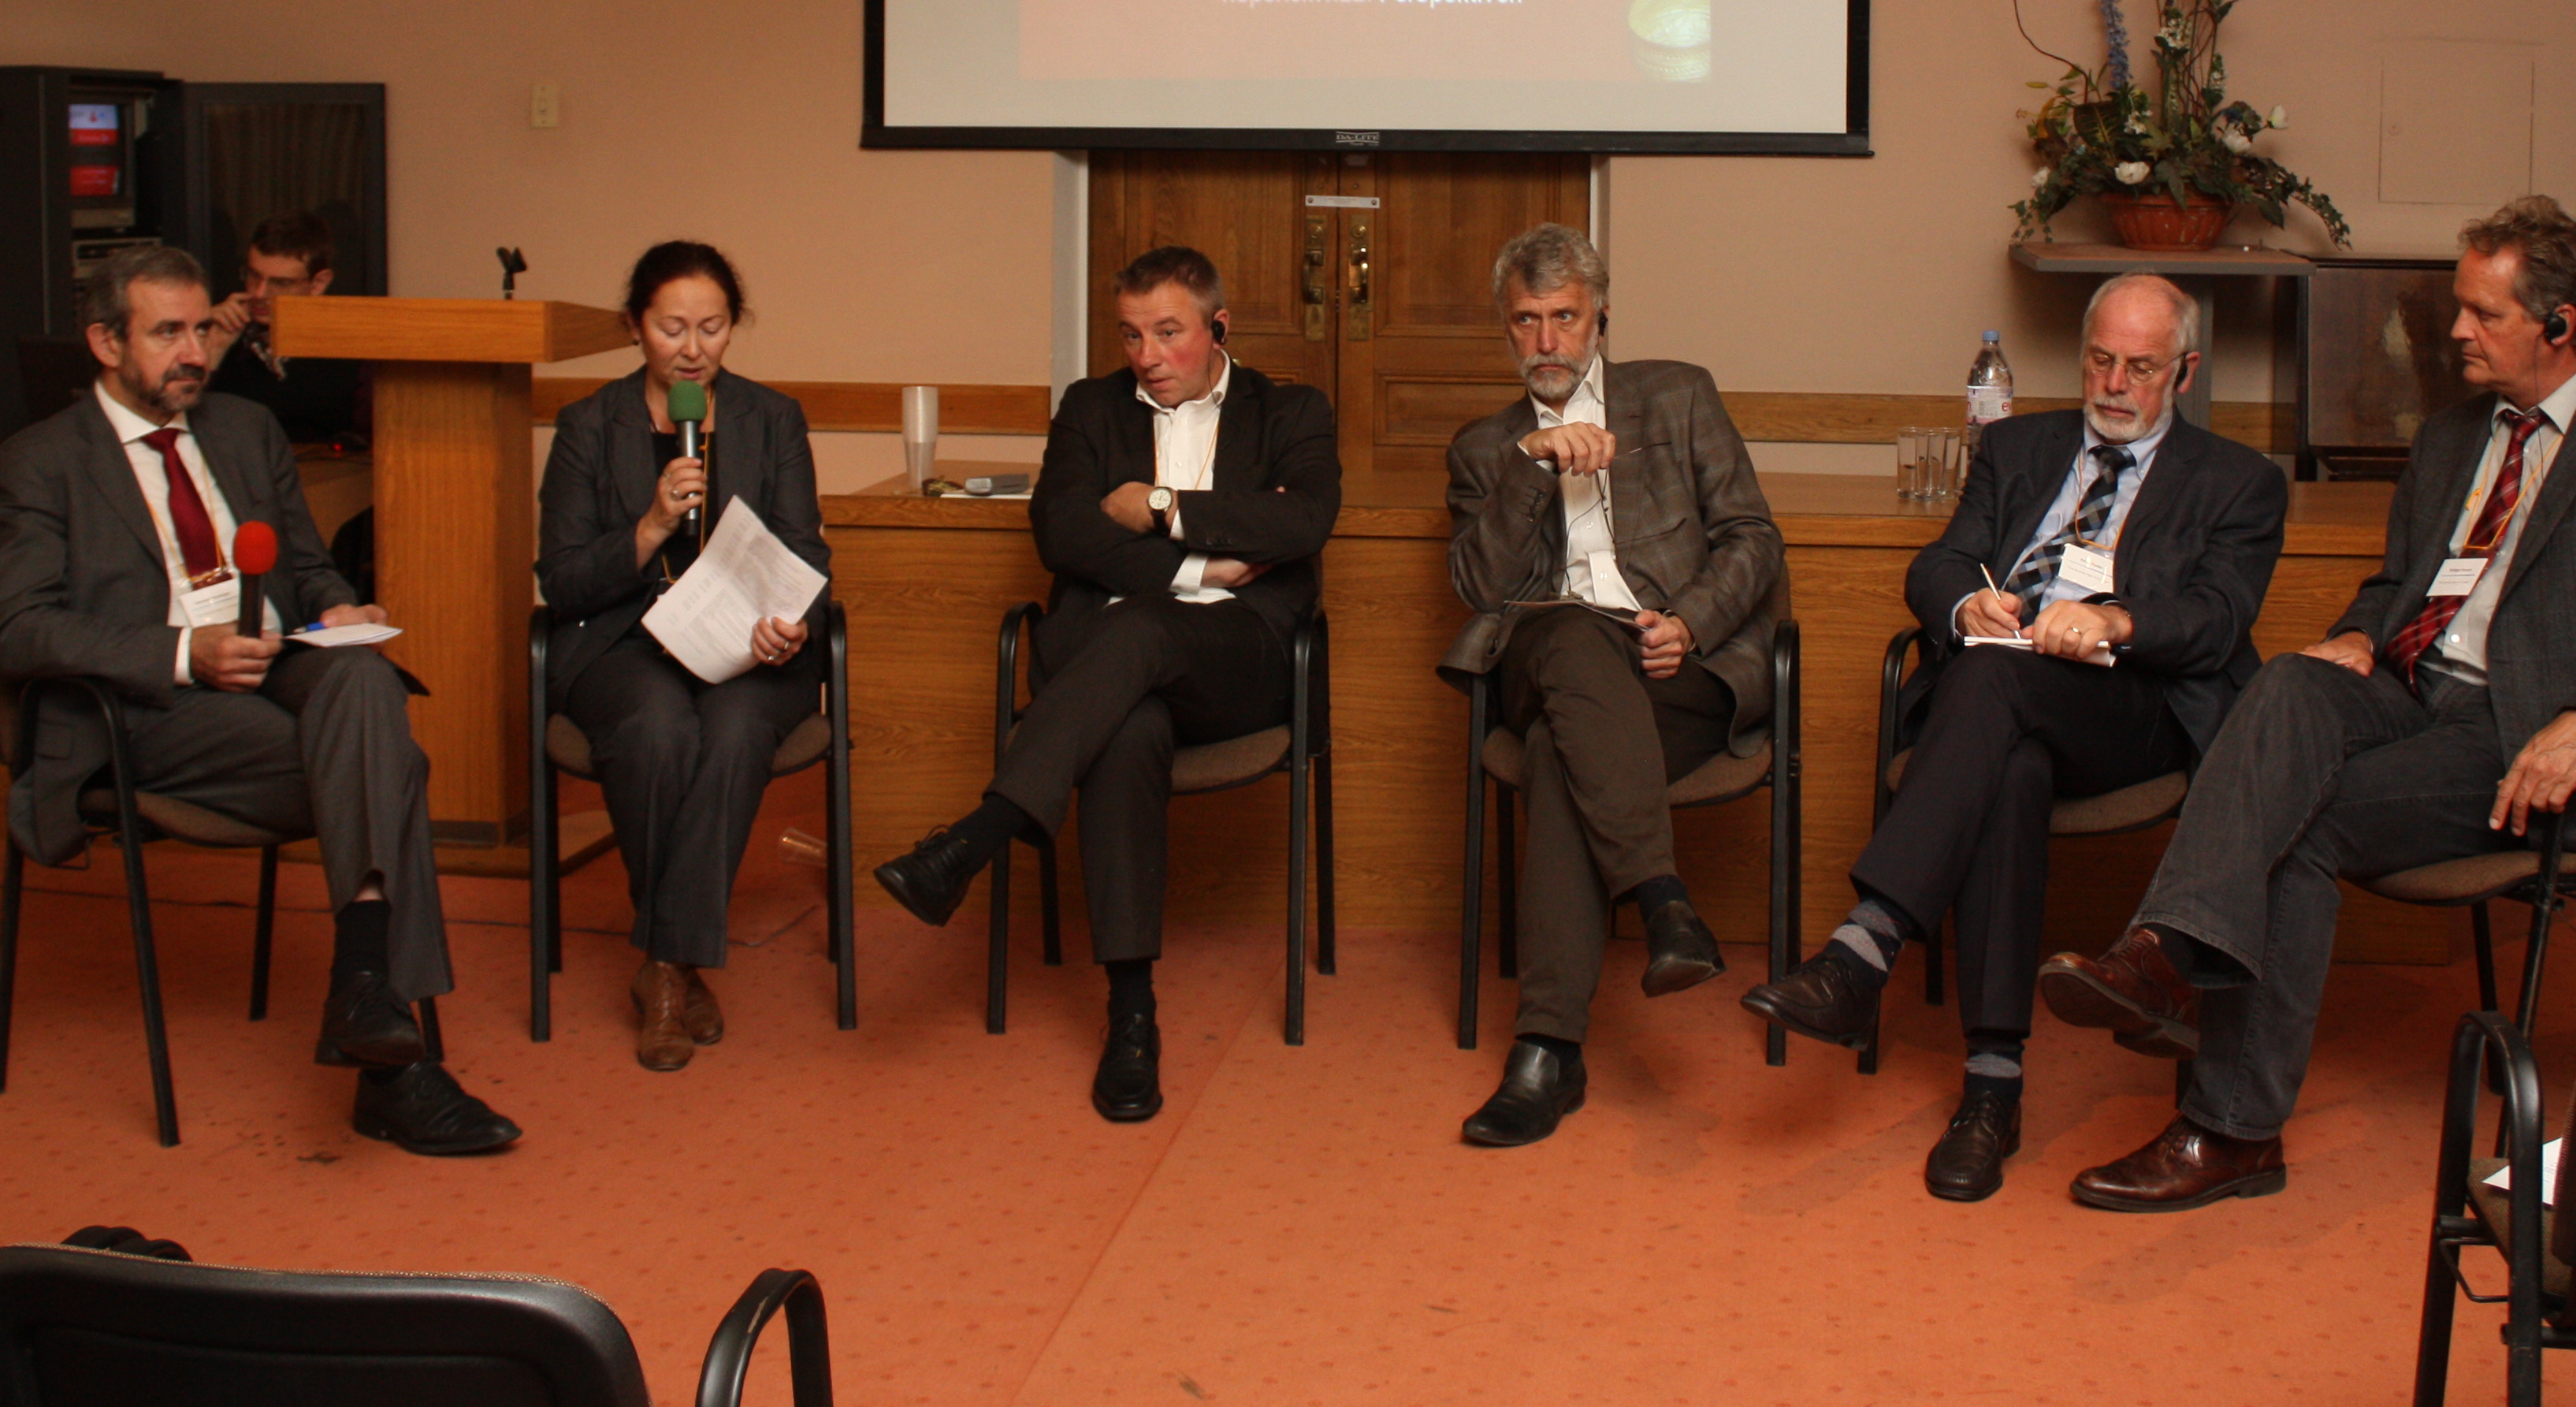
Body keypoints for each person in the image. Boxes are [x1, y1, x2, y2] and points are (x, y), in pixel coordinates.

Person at [2037, 195, 2576, 1210]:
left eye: (2484, 313)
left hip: (2528, 730)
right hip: (2413, 688)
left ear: (2560, 325)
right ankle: (2164, 961)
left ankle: (2223, 1113)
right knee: (2289, 680)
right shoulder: (2453, 437)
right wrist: (2363, 630)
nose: (2456, 330)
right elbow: (2402, 583)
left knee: (2296, 823)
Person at [1739, 271, 2288, 1200]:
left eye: (2140, 367)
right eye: (2100, 360)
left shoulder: (2238, 480)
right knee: (2012, 763)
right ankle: (1992, 1089)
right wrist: (1967, 603)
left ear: (2185, 373)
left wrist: (2114, 620)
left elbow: (2219, 618)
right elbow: (1941, 561)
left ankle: (1866, 946)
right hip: (2004, 704)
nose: (2114, 384)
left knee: (1991, 683)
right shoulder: (2017, 446)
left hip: (2130, 706)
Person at [0, 244, 517, 1156]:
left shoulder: (244, 429)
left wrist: (337, 606)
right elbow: (14, 628)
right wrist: (182, 652)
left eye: (200, 329)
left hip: (279, 660)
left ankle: (364, 987)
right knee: (389, 766)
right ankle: (395, 1070)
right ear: (106, 342)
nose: (195, 352)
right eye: (167, 333)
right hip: (149, 704)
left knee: (362, 672)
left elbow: (306, 565)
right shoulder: (42, 461)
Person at [874, 246, 1339, 1125]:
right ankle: (1132, 1017)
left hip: (1240, 657)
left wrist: (1160, 507)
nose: (1147, 356)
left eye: (1168, 333)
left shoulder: (1291, 410)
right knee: (1128, 720)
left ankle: (977, 836)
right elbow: (1063, 535)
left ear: (1218, 328)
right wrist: (1201, 562)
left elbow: (1302, 519)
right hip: (1118, 671)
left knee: (1140, 628)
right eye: (1131, 335)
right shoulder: (1091, 410)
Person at [1442, 222, 1785, 1149]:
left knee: (1560, 754)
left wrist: (1691, 622)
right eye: (1526, 320)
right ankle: (1660, 896)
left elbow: (1753, 536)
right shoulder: (1484, 448)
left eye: (1565, 317)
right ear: (1505, 329)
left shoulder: (1676, 397)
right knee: (1564, 629)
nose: (1546, 340)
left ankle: (1547, 1052)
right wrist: (1532, 467)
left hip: (1675, 671)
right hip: (1551, 657)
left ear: (1601, 319)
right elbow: (1482, 590)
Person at [537, 242, 831, 1072]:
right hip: (623, 643)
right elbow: (562, 579)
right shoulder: (588, 426)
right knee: (657, 728)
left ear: (734, 326)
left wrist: (789, 620)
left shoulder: (772, 418)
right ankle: (681, 960)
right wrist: (650, 527)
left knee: (733, 732)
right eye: (673, 329)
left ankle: (664, 965)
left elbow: (805, 551)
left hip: (749, 646)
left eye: (713, 327)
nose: (693, 349)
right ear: (636, 327)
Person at [202, 211, 364, 445]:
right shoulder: (222, 332)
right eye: (253, 276)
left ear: (318, 284)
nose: (259, 293)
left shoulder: (350, 349)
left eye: (280, 283)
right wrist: (212, 350)